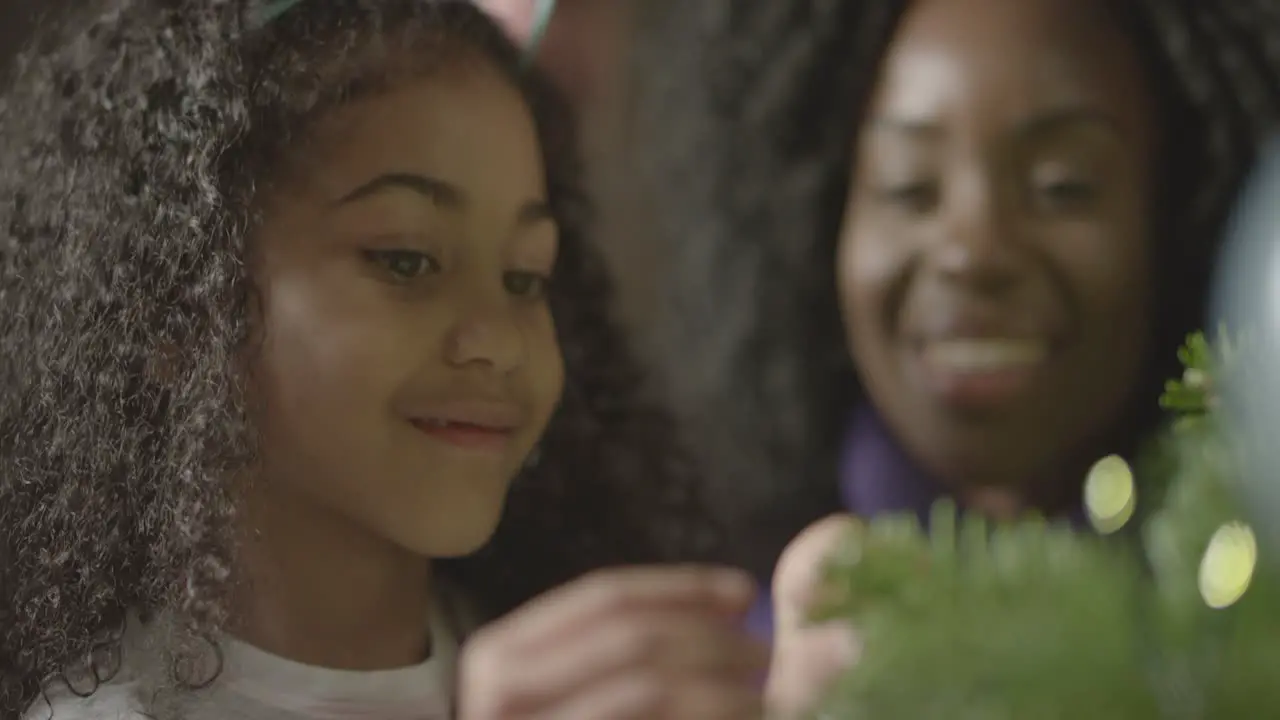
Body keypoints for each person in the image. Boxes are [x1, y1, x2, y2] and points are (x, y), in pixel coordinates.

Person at [0, 2, 845, 718]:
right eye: (406, 261)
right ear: (176, 311)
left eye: (526, 277)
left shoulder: (600, 678)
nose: (497, 338)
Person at [637, 0, 1280, 636]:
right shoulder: (731, 664)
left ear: (1188, 219)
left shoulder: (1246, 638)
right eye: (908, 187)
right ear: (816, 224)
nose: (972, 254)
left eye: (1062, 187)